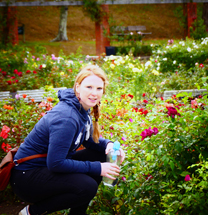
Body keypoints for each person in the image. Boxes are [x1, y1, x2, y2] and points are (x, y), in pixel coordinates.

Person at [10, 65, 125, 215]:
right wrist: (98, 168)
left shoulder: (80, 107)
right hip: (27, 178)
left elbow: (89, 141)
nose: (94, 93)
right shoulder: (67, 118)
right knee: (87, 186)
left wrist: (109, 145)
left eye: (99, 88)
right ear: (78, 87)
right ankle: (32, 212)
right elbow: (56, 163)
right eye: (89, 87)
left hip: (43, 168)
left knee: (100, 154)